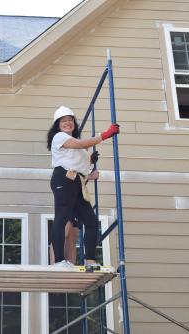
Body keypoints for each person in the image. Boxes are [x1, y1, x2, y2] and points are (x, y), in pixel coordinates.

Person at [47, 106, 119, 267]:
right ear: (57, 125)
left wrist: (90, 165)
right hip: (63, 179)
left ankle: (90, 260)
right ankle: (59, 261)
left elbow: (80, 168)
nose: (67, 123)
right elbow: (80, 144)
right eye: (63, 121)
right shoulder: (59, 137)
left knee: (91, 221)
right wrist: (104, 135)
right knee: (62, 218)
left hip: (77, 183)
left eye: (70, 120)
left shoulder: (80, 150)